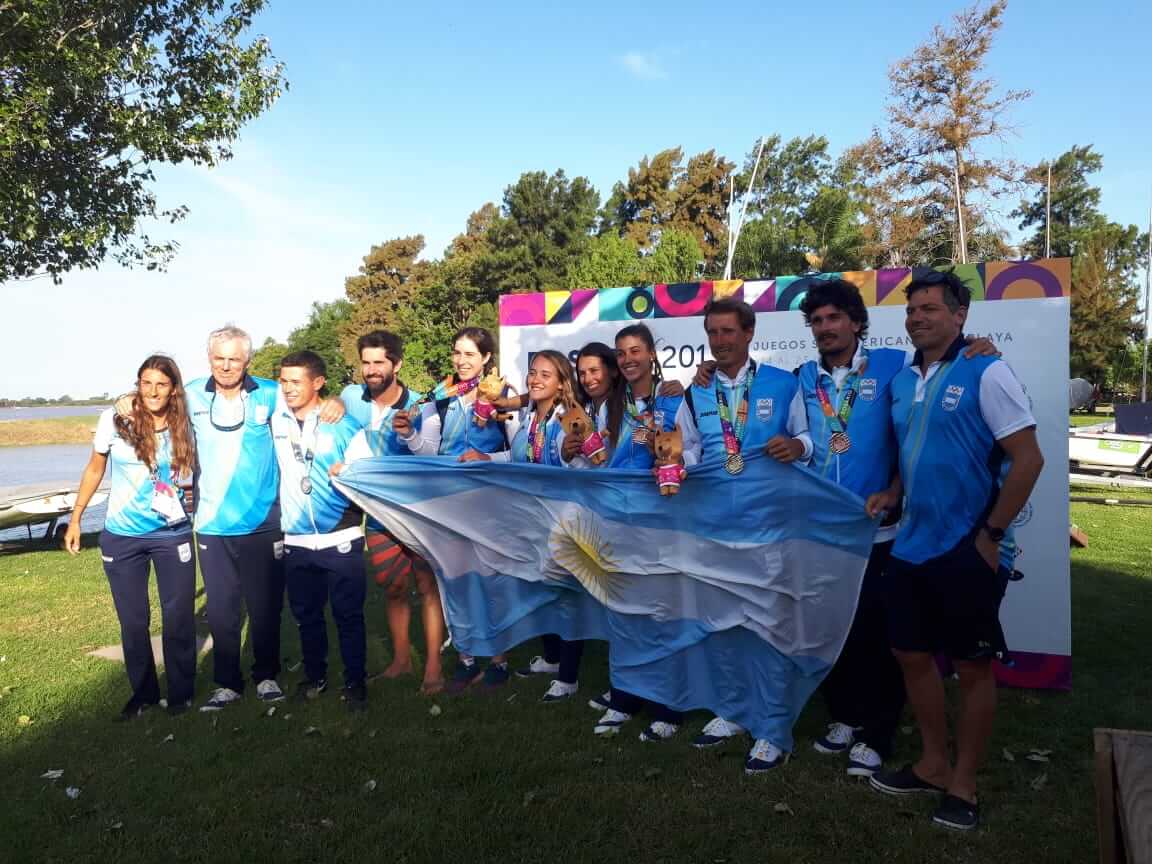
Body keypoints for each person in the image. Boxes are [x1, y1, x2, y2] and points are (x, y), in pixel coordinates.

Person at [865, 269, 1044, 831]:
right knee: (912, 658)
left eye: (930, 309)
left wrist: (989, 538)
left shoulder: (985, 369)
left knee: (972, 668)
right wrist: (893, 491)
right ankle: (932, 763)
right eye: (911, 310)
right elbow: (907, 451)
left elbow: (1029, 459)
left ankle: (964, 784)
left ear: (960, 315)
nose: (918, 317)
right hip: (911, 546)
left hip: (968, 549)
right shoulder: (899, 380)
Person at [682, 298, 812, 773]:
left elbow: (810, 440)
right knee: (722, 625)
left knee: (769, 630)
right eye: (713, 333)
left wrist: (798, 445)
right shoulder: (697, 392)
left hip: (770, 530)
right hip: (715, 529)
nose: (720, 341)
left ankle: (773, 728)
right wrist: (678, 466)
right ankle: (732, 711)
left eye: (728, 332)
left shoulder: (781, 383)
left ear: (749, 332)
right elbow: (689, 451)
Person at [65, 355, 198, 719]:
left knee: (178, 616)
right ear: (137, 384)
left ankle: (182, 693)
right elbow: (94, 469)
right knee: (134, 620)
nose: (153, 391)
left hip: (173, 534)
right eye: (145, 383)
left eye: (161, 384)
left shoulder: (188, 420)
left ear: (173, 388)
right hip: (123, 537)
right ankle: (144, 694)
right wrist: (76, 518)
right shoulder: (115, 419)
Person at [591, 323, 700, 743]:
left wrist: (676, 458)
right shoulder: (608, 407)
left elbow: (695, 449)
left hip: (663, 519)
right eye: (621, 353)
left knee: (662, 612)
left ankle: (668, 705)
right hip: (618, 520)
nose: (628, 358)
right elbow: (597, 462)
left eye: (636, 350)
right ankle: (625, 695)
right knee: (622, 612)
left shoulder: (674, 398)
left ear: (652, 354)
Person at [393, 326, 517, 690]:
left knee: (491, 578)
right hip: (448, 504)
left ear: (486, 359)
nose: (461, 361)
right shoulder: (442, 397)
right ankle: (465, 657)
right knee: (454, 579)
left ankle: (498, 658)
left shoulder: (503, 396)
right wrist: (409, 435)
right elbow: (430, 451)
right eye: (457, 353)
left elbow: (519, 452)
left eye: (470, 354)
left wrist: (486, 457)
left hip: (487, 501)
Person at [340, 330, 446, 695]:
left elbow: (431, 456)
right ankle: (401, 661)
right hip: (378, 514)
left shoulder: (420, 406)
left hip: (417, 511)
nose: (371, 370)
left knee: (427, 586)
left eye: (378, 362)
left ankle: (433, 666)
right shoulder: (350, 399)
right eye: (366, 362)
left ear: (396, 365)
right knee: (393, 586)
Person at [273, 351, 368, 710]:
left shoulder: (343, 424)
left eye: (296, 381)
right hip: (295, 537)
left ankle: (356, 681)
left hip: (340, 536)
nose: (288, 388)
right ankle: (315, 676)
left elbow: (367, 474)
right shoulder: (275, 420)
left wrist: (350, 473)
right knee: (306, 616)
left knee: (348, 615)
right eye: (283, 381)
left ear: (318, 383)